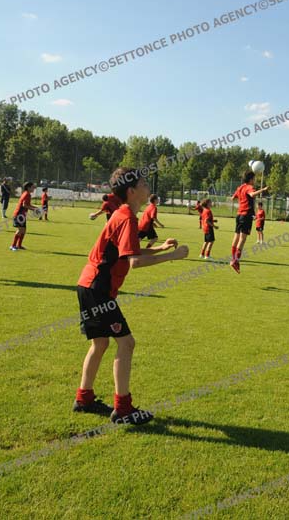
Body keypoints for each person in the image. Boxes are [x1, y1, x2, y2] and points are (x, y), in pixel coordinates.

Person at [74, 167, 188, 425]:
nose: (148, 187)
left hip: (88, 285)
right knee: (126, 343)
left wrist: (160, 248)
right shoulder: (127, 218)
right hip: (98, 289)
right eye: (144, 183)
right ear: (132, 191)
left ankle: (84, 398)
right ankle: (123, 409)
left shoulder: (123, 214)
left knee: (100, 344)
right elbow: (134, 262)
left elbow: (129, 252)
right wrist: (172, 256)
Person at [229, 171, 269, 273]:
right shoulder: (249, 187)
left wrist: (239, 200)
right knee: (242, 239)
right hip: (246, 216)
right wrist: (263, 190)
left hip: (239, 215)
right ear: (251, 179)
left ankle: (233, 258)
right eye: (254, 179)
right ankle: (235, 260)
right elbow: (252, 194)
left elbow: (233, 198)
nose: (254, 181)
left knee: (236, 237)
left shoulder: (241, 187)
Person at [10, 182, 37, 251]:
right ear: (28, 187)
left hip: (22, 215)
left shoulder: (27, 194)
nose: (34, 188)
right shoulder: (26, 194)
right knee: (20, 230)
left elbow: (28, 205)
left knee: (23, 230)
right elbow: (24, 205)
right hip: (19, 215)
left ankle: (19, 245)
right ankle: (13, 246)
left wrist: (36, 208)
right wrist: (34, 209)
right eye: (32, 187)